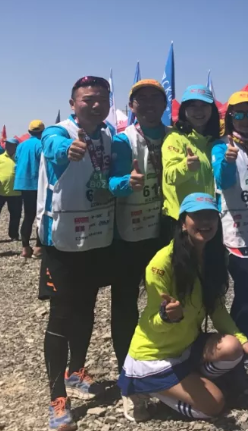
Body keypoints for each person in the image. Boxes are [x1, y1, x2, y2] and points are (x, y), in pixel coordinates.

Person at [118, 193, 248, 422]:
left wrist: (244, 341)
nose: (205, 222)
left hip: (187, 345)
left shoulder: (213, 257)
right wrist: (167, 316)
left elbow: (217, 309)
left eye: (210, 216)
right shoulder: (162, 264)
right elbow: (153, 321)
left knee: (233, 348)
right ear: (183, 223)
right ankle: (143, 387)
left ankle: (186, 381)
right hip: (155, 355)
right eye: (197, 216)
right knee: (215, 406)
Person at [39, 76, 117, 431]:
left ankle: (76, 370)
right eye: (88, 99)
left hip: (96, 236)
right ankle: (57, 396)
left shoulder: (108, 136)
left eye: (102, 98)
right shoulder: (58, 132)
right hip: (61, 241)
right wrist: (67, 150)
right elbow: (53, 147)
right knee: (61, 315)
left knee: (86, 307)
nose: (96, 104)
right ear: (73, 103)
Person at [107, 80, 170, 412]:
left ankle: (165, 359)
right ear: (131, 106)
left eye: (154, 98)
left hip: (165, 231)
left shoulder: (174, 137)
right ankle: (126, 370)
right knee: (125, 303)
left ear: (165, 104)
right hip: (129, 235)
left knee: (167, 297)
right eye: (140, 99)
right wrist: (125, 183)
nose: (147, 104)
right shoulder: (123, 140)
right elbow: (110, 183)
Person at [212, 91, 248, 338]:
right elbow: (222, 181)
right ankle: (238, 344)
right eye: (239, 114)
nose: (246, 120)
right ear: (230, 117)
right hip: (239, 232)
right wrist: (227, 161)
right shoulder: (220, 145)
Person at [161, 85, 220, 240]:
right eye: (192, 106)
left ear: (212, 110)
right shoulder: (174, 138)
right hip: (180, 219)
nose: (198, 111)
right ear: (184, 110)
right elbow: (169, 176)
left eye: (204, 105)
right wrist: (186, 167)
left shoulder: (213, 142)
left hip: (208, 216)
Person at [14, 121, 45, 258]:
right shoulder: (41, 144)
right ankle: (38, 247)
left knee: (28, 216)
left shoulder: (21, 145)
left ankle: (25, 248)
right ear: (42, 132)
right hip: (37, 183)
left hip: (23, 183)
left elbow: (17, 160)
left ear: (29, 131)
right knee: (41, 216)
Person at [0, 137, 22, 241]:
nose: (8, 146)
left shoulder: (20, 158)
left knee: (15, 215)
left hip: (16, 192)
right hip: (1, 191)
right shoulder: (0, 158)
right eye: (7, 144)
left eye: (11, 145)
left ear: (16, 146)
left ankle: (13, 235)